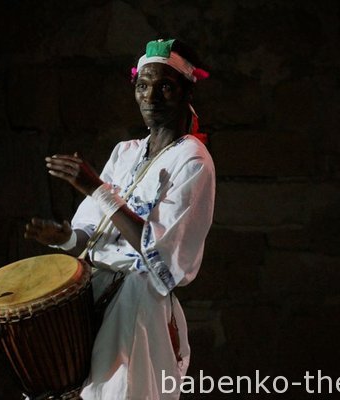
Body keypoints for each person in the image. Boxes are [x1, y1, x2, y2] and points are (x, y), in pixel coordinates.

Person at [24, 38, 215, 400]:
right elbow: (89, 232)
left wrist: (96, 188)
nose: (150, 96)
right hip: (91, 292)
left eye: (164, 87)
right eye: (142, 86)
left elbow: (161, 254)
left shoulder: (193, 159)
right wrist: (64, 238)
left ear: (186, 92)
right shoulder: (125, 152)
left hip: (135, 307)